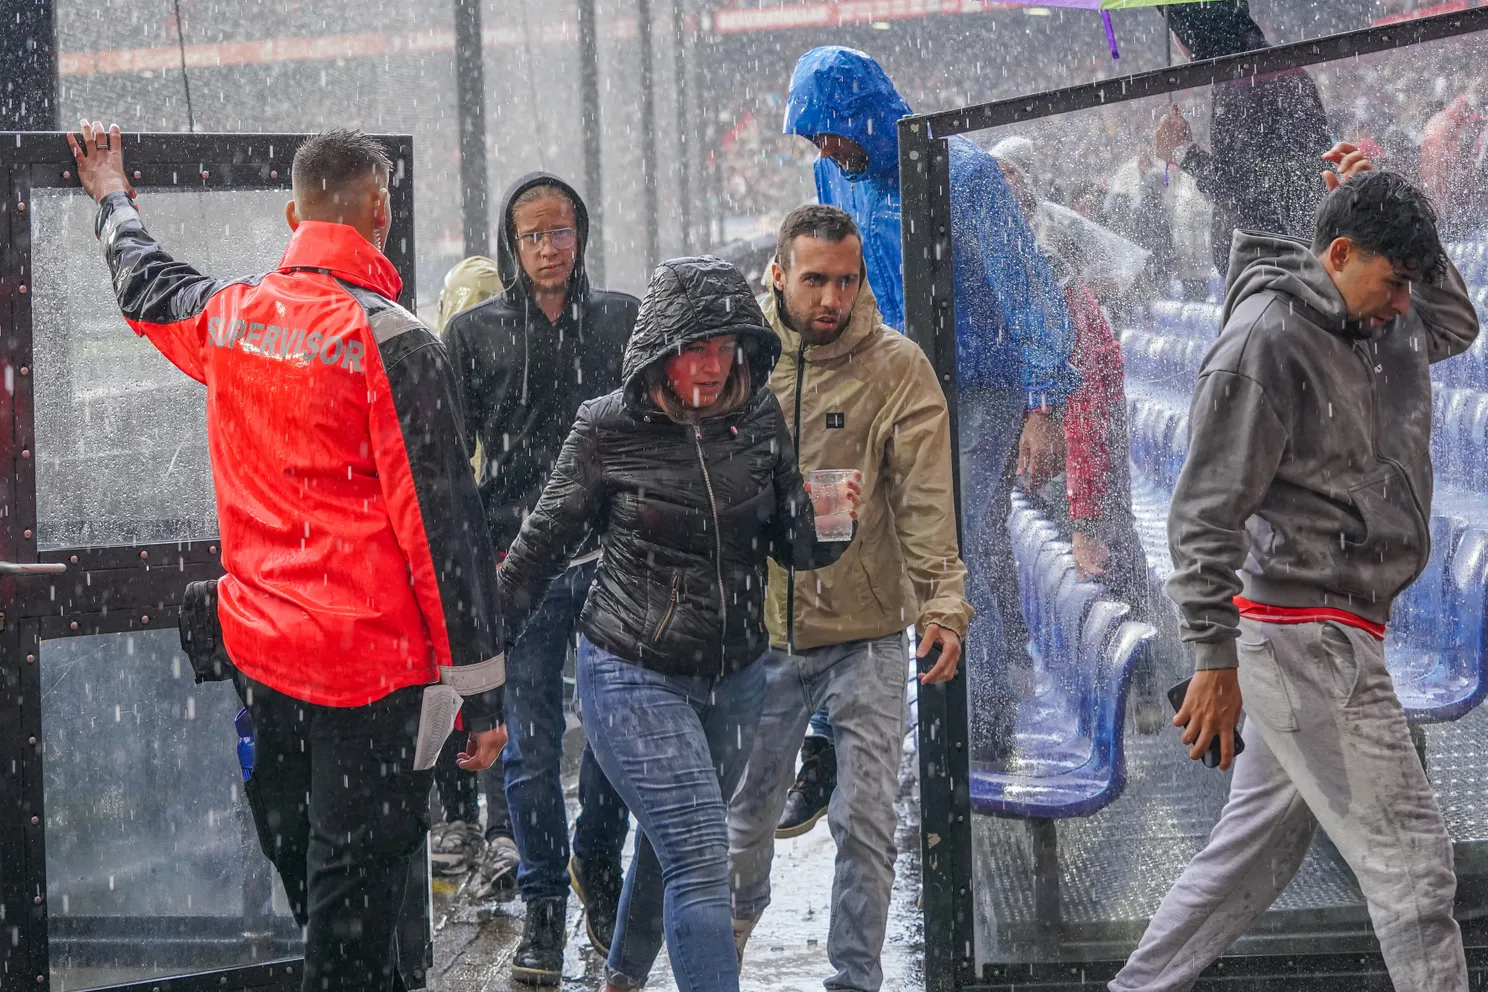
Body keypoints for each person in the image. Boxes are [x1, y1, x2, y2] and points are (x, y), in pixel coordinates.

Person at [70, 122, 507, 992]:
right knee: (355, 906)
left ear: (289, 211)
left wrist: (112, 198)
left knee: (320, 888)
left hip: (265, 663)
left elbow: (146, 284)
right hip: (370, 681)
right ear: (380, 212)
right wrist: (481, 693)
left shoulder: (231, 317)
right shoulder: (394, 342)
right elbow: (442, 530)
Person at [1110, 147, 1478, 992]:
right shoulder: (1267, 340)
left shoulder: (1391, 321)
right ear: (1339, 253)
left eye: (1412, 285)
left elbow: (1455, 324)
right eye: (1393, 281)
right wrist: (1210, 655)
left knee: (1251, 860)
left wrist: (1396, 189)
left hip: (1332, 626)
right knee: (1415, 872)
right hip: (1305, 635)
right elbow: (1205, 512)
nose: (1403, 305)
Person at [498, 255, 857, 992]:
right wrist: (470, 670)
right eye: (694, 348)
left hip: (736, 675)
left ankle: (621, 979)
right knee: (699, 853)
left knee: (670, 849)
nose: (711, 366)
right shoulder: (607, 427)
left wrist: (833, 516)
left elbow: (792, 544)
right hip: (631, 671)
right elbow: (535, 554)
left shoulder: (757, 415)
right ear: (659, 350)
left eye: (725, 347)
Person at [784, 45, 1077, 771]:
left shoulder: (965, 176)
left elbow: (1029, 292)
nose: (824, 148)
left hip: (979, 387)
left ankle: (976, 731)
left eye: (831, 130)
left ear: (862, 116)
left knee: (960, 544)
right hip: (889, 383)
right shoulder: (833, 172)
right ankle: (849, 727)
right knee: (843, 531)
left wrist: (1044, 404)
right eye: (813, 136)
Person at [727, 205, 971, 992]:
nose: (831, 297)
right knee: (743, 825)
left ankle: (854, 981)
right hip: (761, 633)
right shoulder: (737, 360)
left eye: (846, 280)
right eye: (814, 280)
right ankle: (721, 956)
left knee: (866, 823)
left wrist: (944, 605)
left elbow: (929, 499)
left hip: (866, 630)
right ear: (778, 274)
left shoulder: (895, 367)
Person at [442, 174, 636, 981]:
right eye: (533, 236)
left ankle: (599, 855)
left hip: (609, 559)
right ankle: (546, 907)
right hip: (514, 566)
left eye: (562, 233)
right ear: (509, 245)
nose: (550, 250)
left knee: (618, 735)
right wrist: (470, 565)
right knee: (526, 746)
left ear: (582, 235)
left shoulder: (625, 322)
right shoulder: (474, 333)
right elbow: (452, 461)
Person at [990, 140, 1147, 604]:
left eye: (1011, 174)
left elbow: (1086, 418)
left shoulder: (1060, 305)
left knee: (1109, 577)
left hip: (1087, 474)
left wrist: (1086, 523)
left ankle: (1149, 662)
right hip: (1070, 470)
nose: (1001, 187)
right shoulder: (1033, 288)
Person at [427, 255, 520, 897]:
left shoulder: (497, 396)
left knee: (483, 695)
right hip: (462, 568)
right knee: (462, 694)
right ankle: (467, 822)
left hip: (489, 565)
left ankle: (494, 827)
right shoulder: (433, 386)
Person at [1154, 1, 1333, 278]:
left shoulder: (1245, 79)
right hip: (1284, 265)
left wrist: (1183, 151)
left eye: (1175, 29)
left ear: (1191, 29)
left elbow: (1242, 189)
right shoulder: (1258, 68)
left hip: (1269, 272)